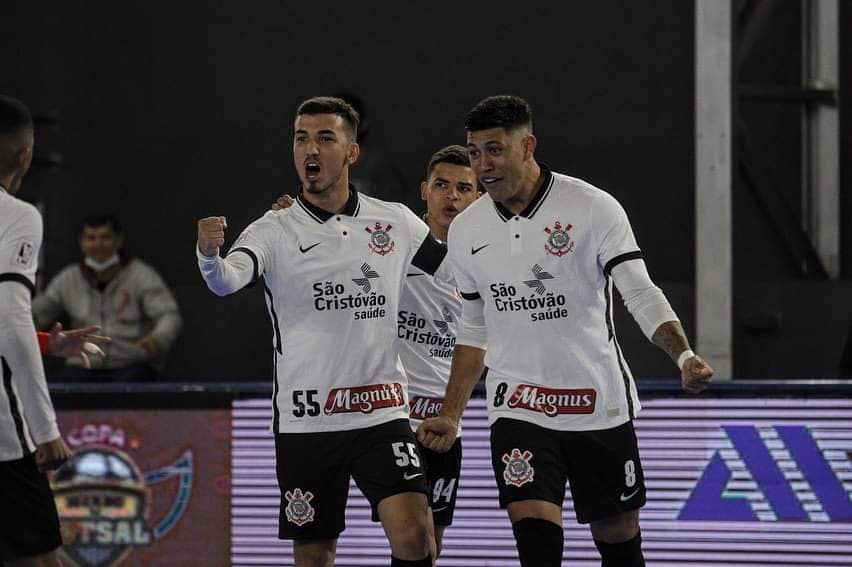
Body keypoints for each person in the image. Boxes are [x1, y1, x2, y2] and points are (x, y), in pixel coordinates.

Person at [418, 95, 714, 567]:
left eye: (495, 150)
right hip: (518, 405)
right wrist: (452, 415)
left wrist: (683, 356)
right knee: (537, 543)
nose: (483, 165)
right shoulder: (468, 230)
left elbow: (638, 291)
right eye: (475, 152)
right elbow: (474, 328)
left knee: (618, 543)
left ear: (528, 145)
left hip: (597, 404)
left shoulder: (593, 208)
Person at [196, 96, 447, 567]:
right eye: (301, 138)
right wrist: (208, 256)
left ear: (352, 152)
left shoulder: (393, 221)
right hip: (307, 422)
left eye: (325, 138)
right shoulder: (272, 229)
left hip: (381, 413)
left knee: (418, 539)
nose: (311, 148)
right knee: (315, 555)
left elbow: (455, 272)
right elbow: (226, 281)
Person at [273, 145, 480, 559]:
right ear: (424, 191)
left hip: (437, 426)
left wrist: (453, 415)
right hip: (379, 419)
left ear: (479, 197)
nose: (451, 197)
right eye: (441, 185)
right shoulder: (388, 242)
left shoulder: (482, 267)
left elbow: (482, 345)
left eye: (463, 188)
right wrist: (293, 222)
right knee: (318, 546)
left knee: (425, 546)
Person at [0, 95, 108, 567]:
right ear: (25, 155)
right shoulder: (18, 214)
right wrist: (45, 430)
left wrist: (46, 342)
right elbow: (7, 316)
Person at [32, 213, 182, 381]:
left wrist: (155, 341)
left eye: (105, 237)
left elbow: (169, 316)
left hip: (130, 364)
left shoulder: (141, 275)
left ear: (119, 240)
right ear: (81, 242)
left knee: (137, 382)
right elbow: (38, 313)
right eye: (91, 238)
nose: (98, 244)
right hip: (82, 363)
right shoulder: (67, 279)